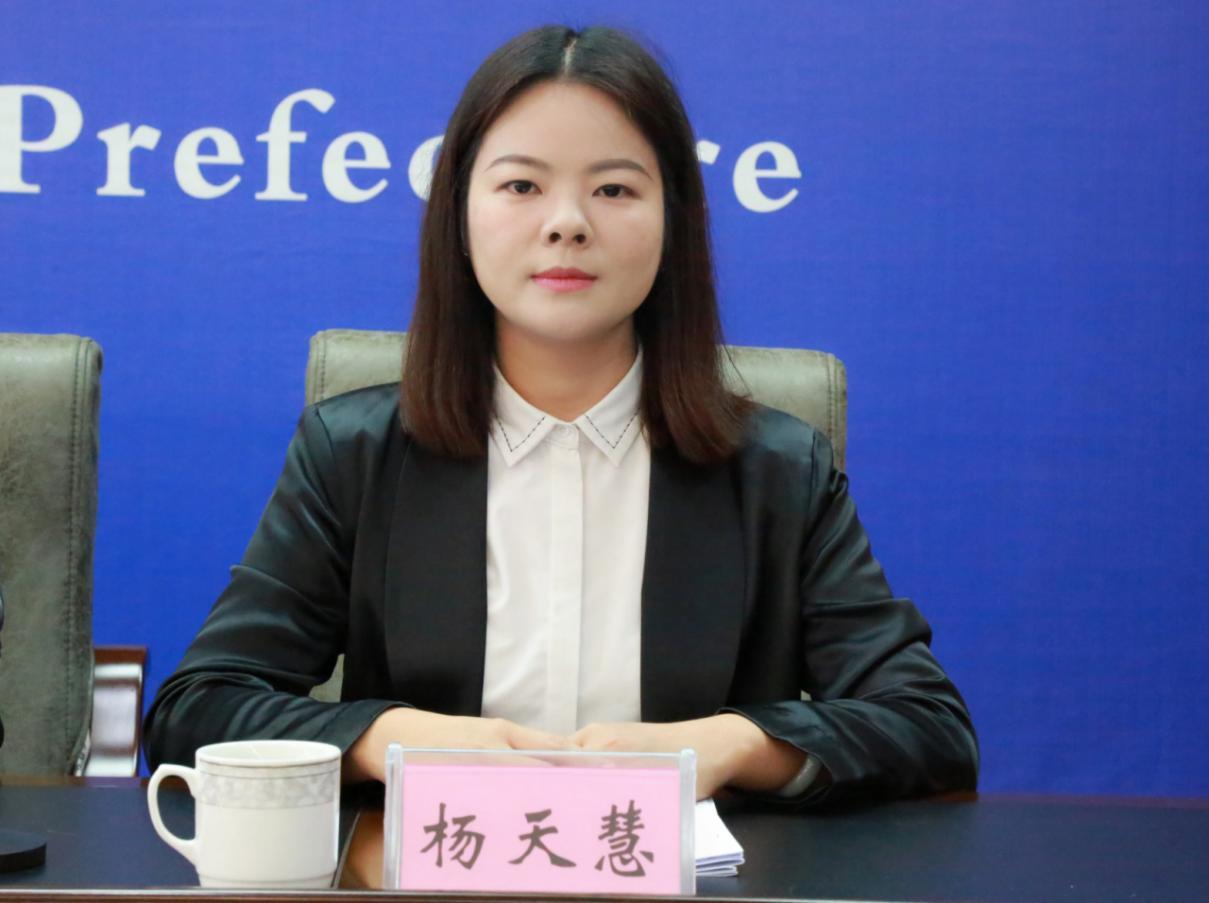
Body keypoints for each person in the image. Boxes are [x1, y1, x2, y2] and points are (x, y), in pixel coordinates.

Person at [143, 24, 978, 808]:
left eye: (614, 188)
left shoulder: (776, 469)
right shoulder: (354, 452)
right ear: (459, 215)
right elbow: (197, 710)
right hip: (431, 876)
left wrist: (728, 744)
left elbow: (928, 726)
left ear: (674, 220)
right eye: (521, 185)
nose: (567, 223)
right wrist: (391, 738)